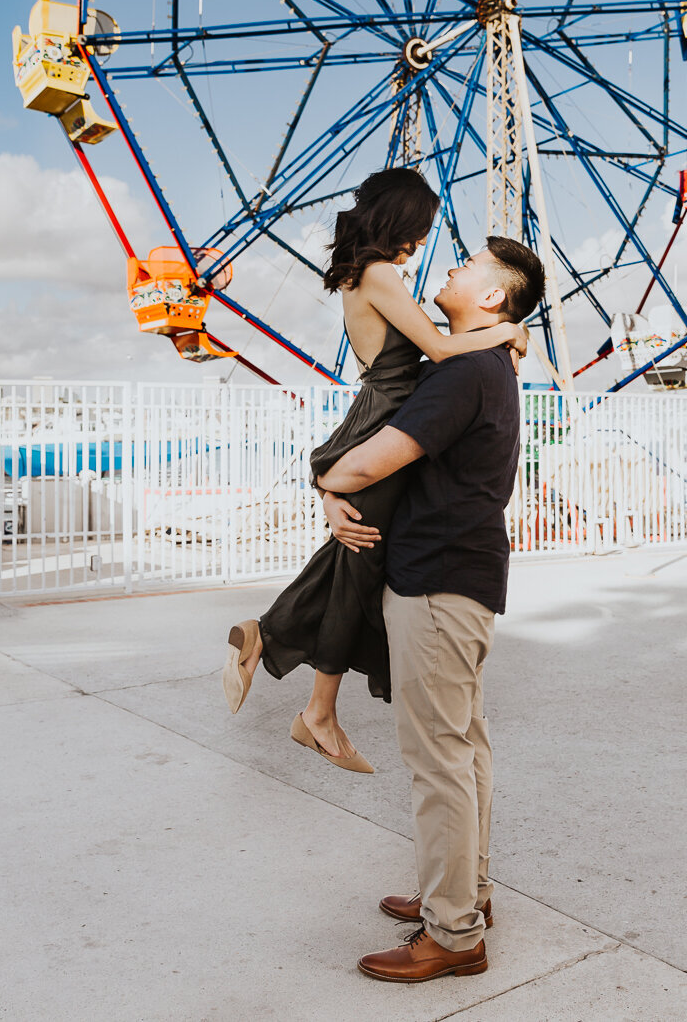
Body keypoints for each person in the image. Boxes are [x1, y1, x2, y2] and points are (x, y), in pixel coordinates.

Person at [221, 169, 527, 773]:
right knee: (362, 556)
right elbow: (438, 350)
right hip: (385, 415)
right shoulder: (380, 274)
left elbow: (429, 342)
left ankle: (299, 682)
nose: (423, 241)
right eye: (422, 228)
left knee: (357, 553)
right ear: (403, 219)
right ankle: (300, 687)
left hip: (381, 413)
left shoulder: (368, 275)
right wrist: (506, 331)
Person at [316, 237, 546, 983]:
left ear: (491, 299)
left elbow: (365, 463)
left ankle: (452, 935)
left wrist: (327, 482)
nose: (451, 267)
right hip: (466, 575)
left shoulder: (465, 372)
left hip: (436, 582)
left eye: (468, 267)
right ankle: (464, 895)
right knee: (464, 746)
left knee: (438, 760)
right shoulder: (487, 365)